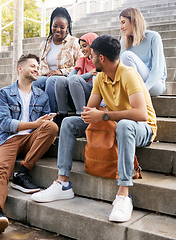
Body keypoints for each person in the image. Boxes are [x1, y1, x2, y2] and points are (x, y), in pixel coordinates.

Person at [31, 35, 157, 223]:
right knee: (69, 123)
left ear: (102, 58)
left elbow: (140, 114)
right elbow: (89, 112)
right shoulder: (100, 78)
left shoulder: (128, 74)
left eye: (93, 56)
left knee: (124, 125)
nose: (90, 59)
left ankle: (123, 194)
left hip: (142, 128)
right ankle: (63, 183)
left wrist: (105, 115)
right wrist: (94, 114)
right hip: (117, 122)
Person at [0, 54, 58, 234]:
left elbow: (45, 122)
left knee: (51, 127)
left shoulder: (41, 95)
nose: (37, 69)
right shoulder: (4, 93)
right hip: (8, 139)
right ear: (20, 69)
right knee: (0, 170)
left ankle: (22, 173)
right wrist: (35, 124)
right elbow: (5, 124)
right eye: (33, 66)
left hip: (31, 139)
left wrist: (43, 122)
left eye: (38, 67)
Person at [32, 7, 83, 115]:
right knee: (34, 82)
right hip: (46, 76)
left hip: (64, 79)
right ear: (51, 25)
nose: (58, 29)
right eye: (55, 26)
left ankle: (52, 119)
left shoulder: (74, 43)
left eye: (62, 27)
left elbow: (80, 66)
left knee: (51, 81)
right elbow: (40, 66)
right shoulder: (44, 44)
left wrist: (61, 72)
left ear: (67, 27)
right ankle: (32, 117)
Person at [119, 7, 167, 96]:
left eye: (123, 22)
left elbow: (158, 70)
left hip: (154, 85)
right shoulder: (124, 41)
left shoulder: (154, 37)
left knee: (127, 56)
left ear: (134, 21)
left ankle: (134, 92)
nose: (121, 27)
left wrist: (143, 89)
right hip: (135, 86)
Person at [55, 32, 98, 121]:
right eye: (81, 47)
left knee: (75, 79)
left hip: (93, 95)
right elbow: (69, 79)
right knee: (60, 80)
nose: (82, 50)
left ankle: (80, 115)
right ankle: (62, 115)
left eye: (85, 46)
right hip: (77, 93)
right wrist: (88, 74)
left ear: (92, 44)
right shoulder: (81, 60)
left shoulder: (100, 60)